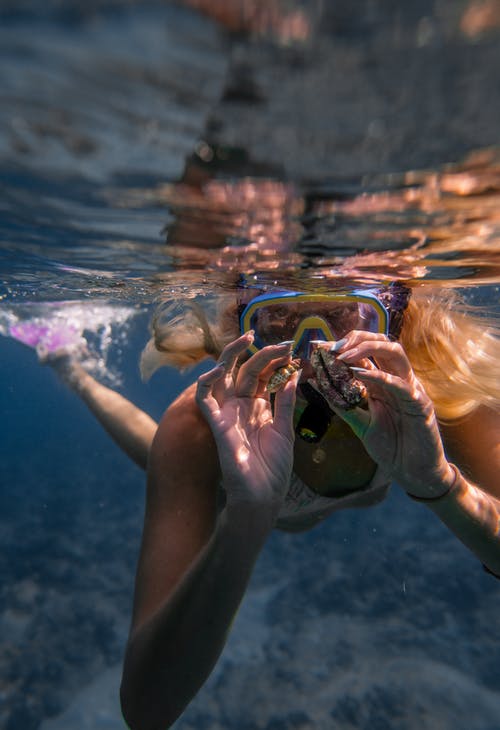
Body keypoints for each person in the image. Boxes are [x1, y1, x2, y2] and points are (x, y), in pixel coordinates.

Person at [88, 278, 496, 730]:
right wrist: (244, 518)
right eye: (279, 321)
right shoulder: (204, 427)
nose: (313, 351)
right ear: (244, 328)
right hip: (245, 496)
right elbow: (147, 709)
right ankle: (76, 373)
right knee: (159, 451)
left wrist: (439, 483)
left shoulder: (438, 384)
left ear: (395, 321)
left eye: (344, 317)